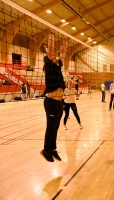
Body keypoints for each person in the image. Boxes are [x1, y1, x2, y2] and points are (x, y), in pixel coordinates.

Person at [41, 29, 67, 162]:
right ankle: (46, 149)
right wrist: (52, 34)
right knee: (50, 126)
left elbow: (63, 53)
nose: (57, 57)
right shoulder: (49, 66)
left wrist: (65, 41)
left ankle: (52, 149)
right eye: (54, 57)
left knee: (56, 126)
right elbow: (51, 49)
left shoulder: (58, 67)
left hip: (59, 102)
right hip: (51, 101)